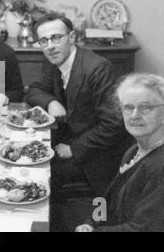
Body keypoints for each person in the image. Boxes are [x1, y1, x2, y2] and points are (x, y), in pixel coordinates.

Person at [26, 13, 132, 196]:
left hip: (96, 157)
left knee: (37, 175)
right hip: (68, 139)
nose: (50, 46)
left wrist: (73, 149)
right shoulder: (54, 61)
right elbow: (33, 90)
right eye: (44, 41)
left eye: (56, 38)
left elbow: (113, 125)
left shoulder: (98, 69)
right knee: (28, 158)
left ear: (72, 37)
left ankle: (56, 221)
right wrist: (51, 102)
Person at [76, 73, 164, 232]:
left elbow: (143, 229)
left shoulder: (160, 167)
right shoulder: (132, 151)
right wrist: (90, 223)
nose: (135, 115)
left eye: (145, 107)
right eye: (128, 107)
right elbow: (107, 199)